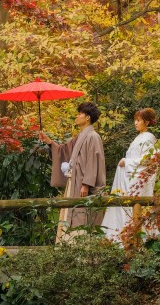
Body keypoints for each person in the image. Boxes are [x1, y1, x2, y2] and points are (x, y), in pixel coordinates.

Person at [39, 102, 106, 239]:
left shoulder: (93, 136)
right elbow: (65, 150)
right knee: (72, 212)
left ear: (87, 117)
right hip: (74, 182)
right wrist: (49, 142)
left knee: (81, 213)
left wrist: (86, 183)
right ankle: (70, 244)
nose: (77, 116)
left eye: (79, 114)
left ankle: (81, 245)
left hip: (83, 184)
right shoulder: (81, 136)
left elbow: (93, 161)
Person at [101, 108, 159, 244]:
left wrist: (127, 162)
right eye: (135, 120)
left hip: (136, 178)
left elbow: (148, 160)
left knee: (134, 207)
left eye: (139, 120)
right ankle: (124, 237)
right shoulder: (140, 137)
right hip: (129, 177)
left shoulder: (148, 138)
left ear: (147, 122)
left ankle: (136, 240)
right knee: (126, 205)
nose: (135, 123)